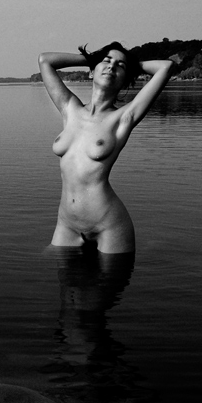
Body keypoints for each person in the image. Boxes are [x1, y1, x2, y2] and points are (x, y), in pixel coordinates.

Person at [38, 42, 175, 254]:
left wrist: (130, 64)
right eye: (107, 61)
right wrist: (94, 59)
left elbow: (165, 67)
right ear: (92, 72)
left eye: (120, 66)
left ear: (126, 80)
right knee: (50, 272)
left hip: (108, 225)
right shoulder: (69, 109)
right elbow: (45, 60)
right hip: (67, 224)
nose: (112, 66)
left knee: (112, 278)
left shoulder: (123, 117)